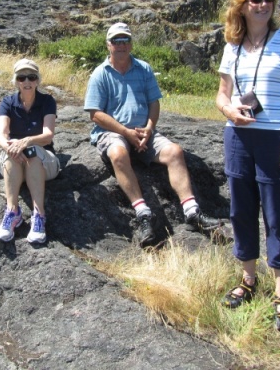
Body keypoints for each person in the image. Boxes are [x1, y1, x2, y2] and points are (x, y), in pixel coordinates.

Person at [216, 0, 280, 334]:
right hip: (238, 136)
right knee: (240, 210)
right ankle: (248, 279)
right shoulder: (233, 45)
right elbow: (222, 96)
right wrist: (230, 113)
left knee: (276, 213)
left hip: (276, 138)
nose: (263, 4)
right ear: (242, 5)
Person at [84, 22, 221, 247]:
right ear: (108, 44)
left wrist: (149, 128)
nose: (121, 45)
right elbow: (95, 114)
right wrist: (126, 133)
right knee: (118, 154)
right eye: (116, 41)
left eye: (125, 40)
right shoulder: (100, 74)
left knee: (175, 152)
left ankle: (192, 211)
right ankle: (143, 214)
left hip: (144, 131)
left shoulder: (144, 68)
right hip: (114, 132)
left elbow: (153, 103)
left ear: (130, 43)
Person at [0, 59, 60, 244]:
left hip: (44, 162)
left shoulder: (47, 101)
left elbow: (47, 135)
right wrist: (11, 147)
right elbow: (1, 134)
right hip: (15, 161)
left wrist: (26, 142)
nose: (27, 82)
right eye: (22, 78)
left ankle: (39, 215)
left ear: (37, 80)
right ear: (16, 81)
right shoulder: (7, 103)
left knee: (31, 151)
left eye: (31, 77)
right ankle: (12, 211)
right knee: (12, 153)